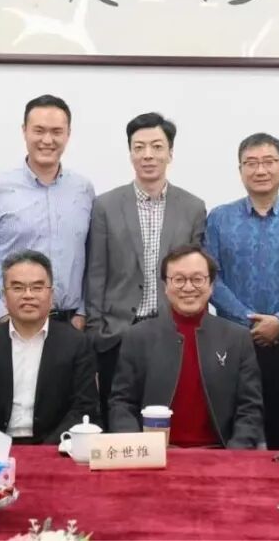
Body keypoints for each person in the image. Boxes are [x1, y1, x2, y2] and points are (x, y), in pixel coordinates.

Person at [204, 133, 279, 450]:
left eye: (268, 162)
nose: (260, 170)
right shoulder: (218, 218)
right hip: (232, 340)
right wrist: (250, 321)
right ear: (240, 170)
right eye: (251, 163)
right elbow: (211, 278)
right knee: (232, 426)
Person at [85, 112, 206, 423]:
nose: (148, 155)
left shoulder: (193, 207)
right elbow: (96, 272)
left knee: (168, 418)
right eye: (139, 147)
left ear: (170, 153)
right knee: (117, 417)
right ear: (130, 153)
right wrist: (95, 333)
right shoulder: (106, 206)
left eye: (156, 146)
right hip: (117, 333)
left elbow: (197, 276)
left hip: (172, 331)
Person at [109, 245, 264, 448]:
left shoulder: (237, 338)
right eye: (179, 279)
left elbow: (250, 409)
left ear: (211, 285)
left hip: (219, 453)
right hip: (154, 454)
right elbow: (122, 403)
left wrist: (234, 455)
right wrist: (138, 449)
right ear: (165, 286)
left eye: (197, 279)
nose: (188, 288)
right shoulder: (138, 336)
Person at [0, 95, 94, 329]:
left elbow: (92, 260)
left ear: (68, 134)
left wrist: (81, 313)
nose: (47, 140)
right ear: (24, 131)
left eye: (56, 131)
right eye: (39, 130)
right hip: (9, 323)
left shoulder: (83, 190)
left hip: (68, 324)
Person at [0, 250, 99, 443]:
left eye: (37, 288)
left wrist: (46, 452)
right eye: (18, 288)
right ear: (4, 296)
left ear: (51, 295)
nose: (28, 295)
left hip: (55, 447)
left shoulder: (76, 343)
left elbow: (84, 407)